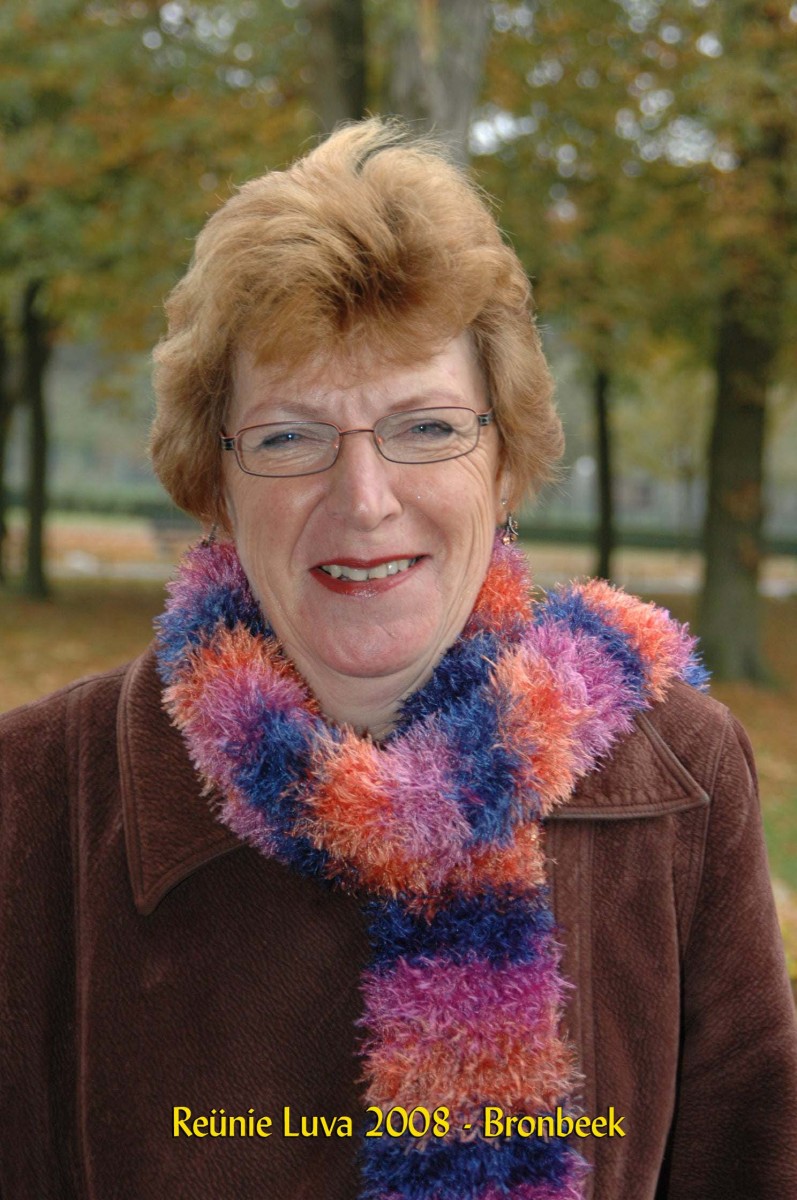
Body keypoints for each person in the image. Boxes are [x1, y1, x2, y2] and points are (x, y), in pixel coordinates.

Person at [1, 118, 795, 1200]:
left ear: (502, 461)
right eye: (289, 437)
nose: (365, 500)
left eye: (424, 428)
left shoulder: (684, 781)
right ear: (216, 481)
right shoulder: (34, 797)